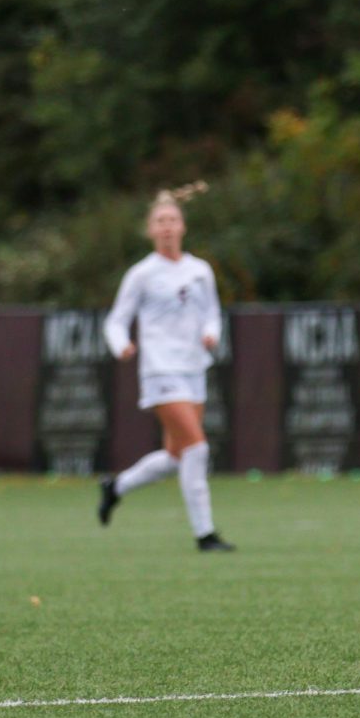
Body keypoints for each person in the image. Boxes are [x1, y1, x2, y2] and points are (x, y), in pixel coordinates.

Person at [99, 183, 236, 552]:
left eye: (172, 219)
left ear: (183, 226)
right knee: (197, 447)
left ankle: (116, 487)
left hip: (193, 368)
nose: (167, 226)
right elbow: (115, 321)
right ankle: (205, 534)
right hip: (160, 369)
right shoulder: (142, 274)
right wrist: (121, 344)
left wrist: (210, 334)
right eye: (160, 220)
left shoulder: (200, 270)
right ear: (150, 229)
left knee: (177, 456)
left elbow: (212, 314)